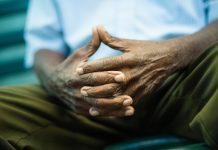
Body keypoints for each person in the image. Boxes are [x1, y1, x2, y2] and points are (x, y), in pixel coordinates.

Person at [0, 0, 217, 149]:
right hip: (84, 98)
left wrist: (173, 55)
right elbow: (43, 47)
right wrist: (57, 80)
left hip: (187, 75)